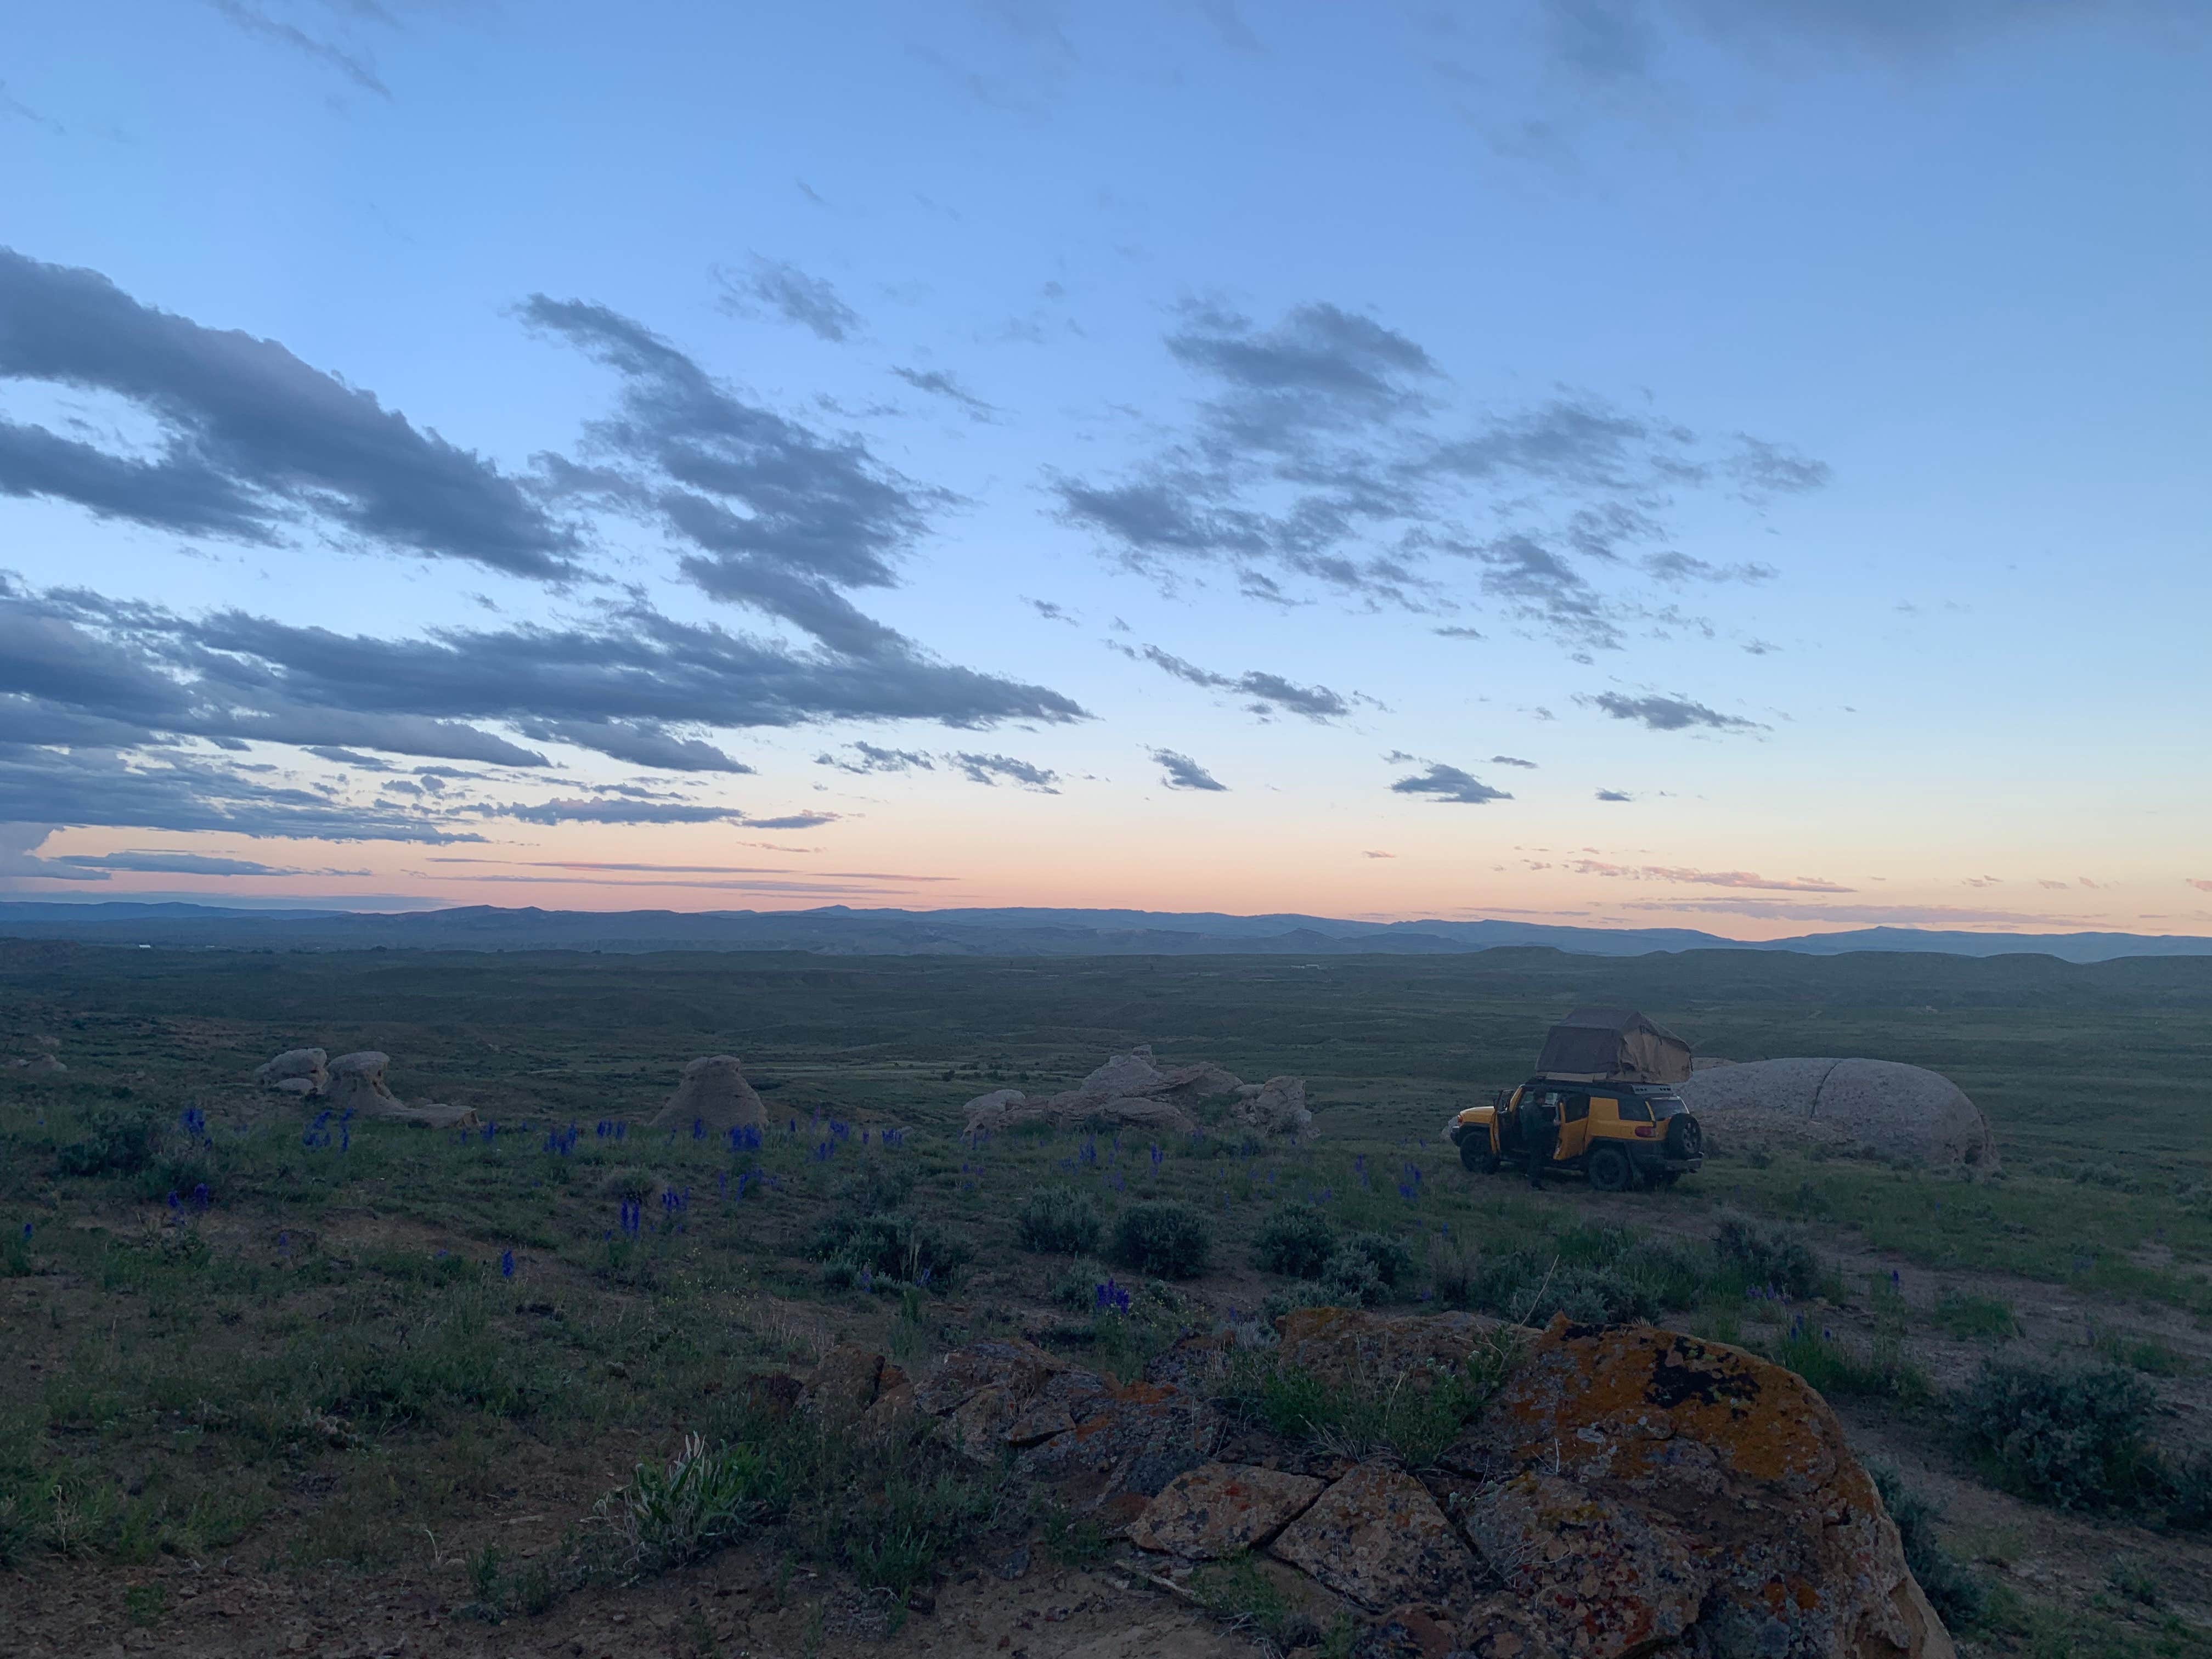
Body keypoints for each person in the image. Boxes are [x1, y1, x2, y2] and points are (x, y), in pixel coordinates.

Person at [1525, 1093, 1559, 1189]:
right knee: (1537, 1159)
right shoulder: (1535, 1110)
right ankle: (1535, 1183)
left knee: (1535, 1157)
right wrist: (1553, 1124)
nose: (1544, 1101)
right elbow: (1540, 1126)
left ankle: (1531, 1175)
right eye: (1544, 1099)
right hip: (1536, 1137)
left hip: (1529, 1136)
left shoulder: (1528, 1106)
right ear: (1540, 1099)